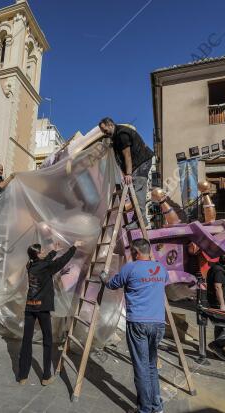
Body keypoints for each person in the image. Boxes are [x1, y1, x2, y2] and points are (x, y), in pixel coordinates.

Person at [100, 238, 167, 413]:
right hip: (159, 324)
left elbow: (112, 284)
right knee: (152, 364)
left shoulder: (130, 268)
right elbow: (160, 283)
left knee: (142, 366)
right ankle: (156, 406)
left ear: (136, 252)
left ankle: (145, 409)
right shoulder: (161, 268)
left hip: (138, 323)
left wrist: (104, 277)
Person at [18, 241, 82, 386]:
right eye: (42, 251)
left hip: (30, 307)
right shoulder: (45, 267)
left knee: (26, 341)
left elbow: (46, 262)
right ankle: (46, 376)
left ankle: (22, 376)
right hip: (42, 309)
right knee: (47, 341)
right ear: (38, 254)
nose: (44, 252)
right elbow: (61, 262)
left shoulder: (31, 265)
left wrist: (54, 251)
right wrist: (74, 247)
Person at [98, 117, 154, 225]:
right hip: (136, 164)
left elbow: (127, 155)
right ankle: (137, 218)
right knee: (133, 190)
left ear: (110, 124)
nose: (105, 133)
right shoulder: (115, 137)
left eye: (105, 130)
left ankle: (141, 221)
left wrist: (128, 174)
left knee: (137, 190)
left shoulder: (122, 134)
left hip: (141, 162)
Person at [206, 254, 225, 361]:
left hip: (216, 301)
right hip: (222, 302)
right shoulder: (219, 271)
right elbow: (218, 287)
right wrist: (222, 305)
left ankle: (218, 351)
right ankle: (216, 345)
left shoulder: (214, 269)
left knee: (220, 325)